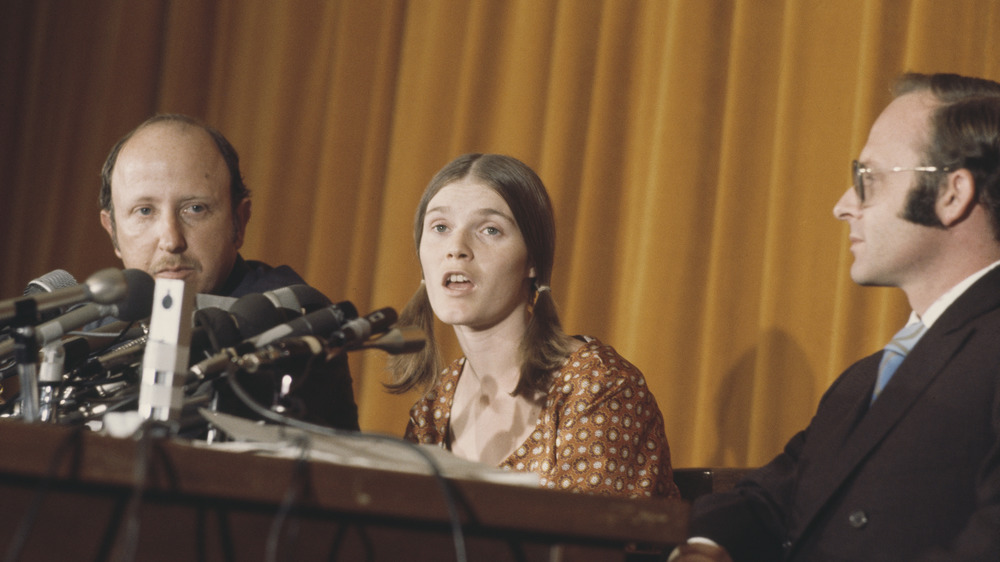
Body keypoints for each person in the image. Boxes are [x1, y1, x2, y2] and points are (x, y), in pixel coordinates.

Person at [671, 73, 1000, 561]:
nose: (843, 206)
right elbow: (773, 499)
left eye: (868, 179)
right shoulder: (866, 379)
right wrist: (706, 545)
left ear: (952, 194)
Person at [388, 153, 680, 499]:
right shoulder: (432, 411)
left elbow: (583, 547)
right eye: (440, 227)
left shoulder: (598, 388)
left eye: (490, 230)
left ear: (532, 261)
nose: (456, 248)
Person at [99, 114, 359, 431]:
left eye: (195, 209)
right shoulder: (92, 326)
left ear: (239, 222)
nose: (171, 240)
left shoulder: (292, 317)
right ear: (112, 231)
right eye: (144, 211)